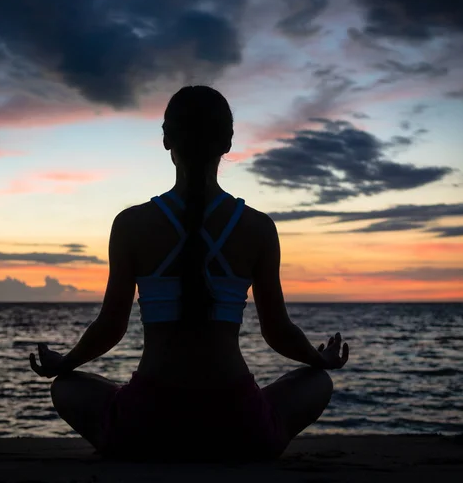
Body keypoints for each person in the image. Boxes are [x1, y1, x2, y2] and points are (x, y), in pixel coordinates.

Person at [29, 85, 349, 462]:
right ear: (227, 142)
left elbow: (110, 328)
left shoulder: (131, 225)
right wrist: (319, 358)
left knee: (67, 387)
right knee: (316, 382)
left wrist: (64, 363)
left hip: (146, 424)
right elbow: (277, 332)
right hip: (239, 426)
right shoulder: (258, 228)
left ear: (167, 139)